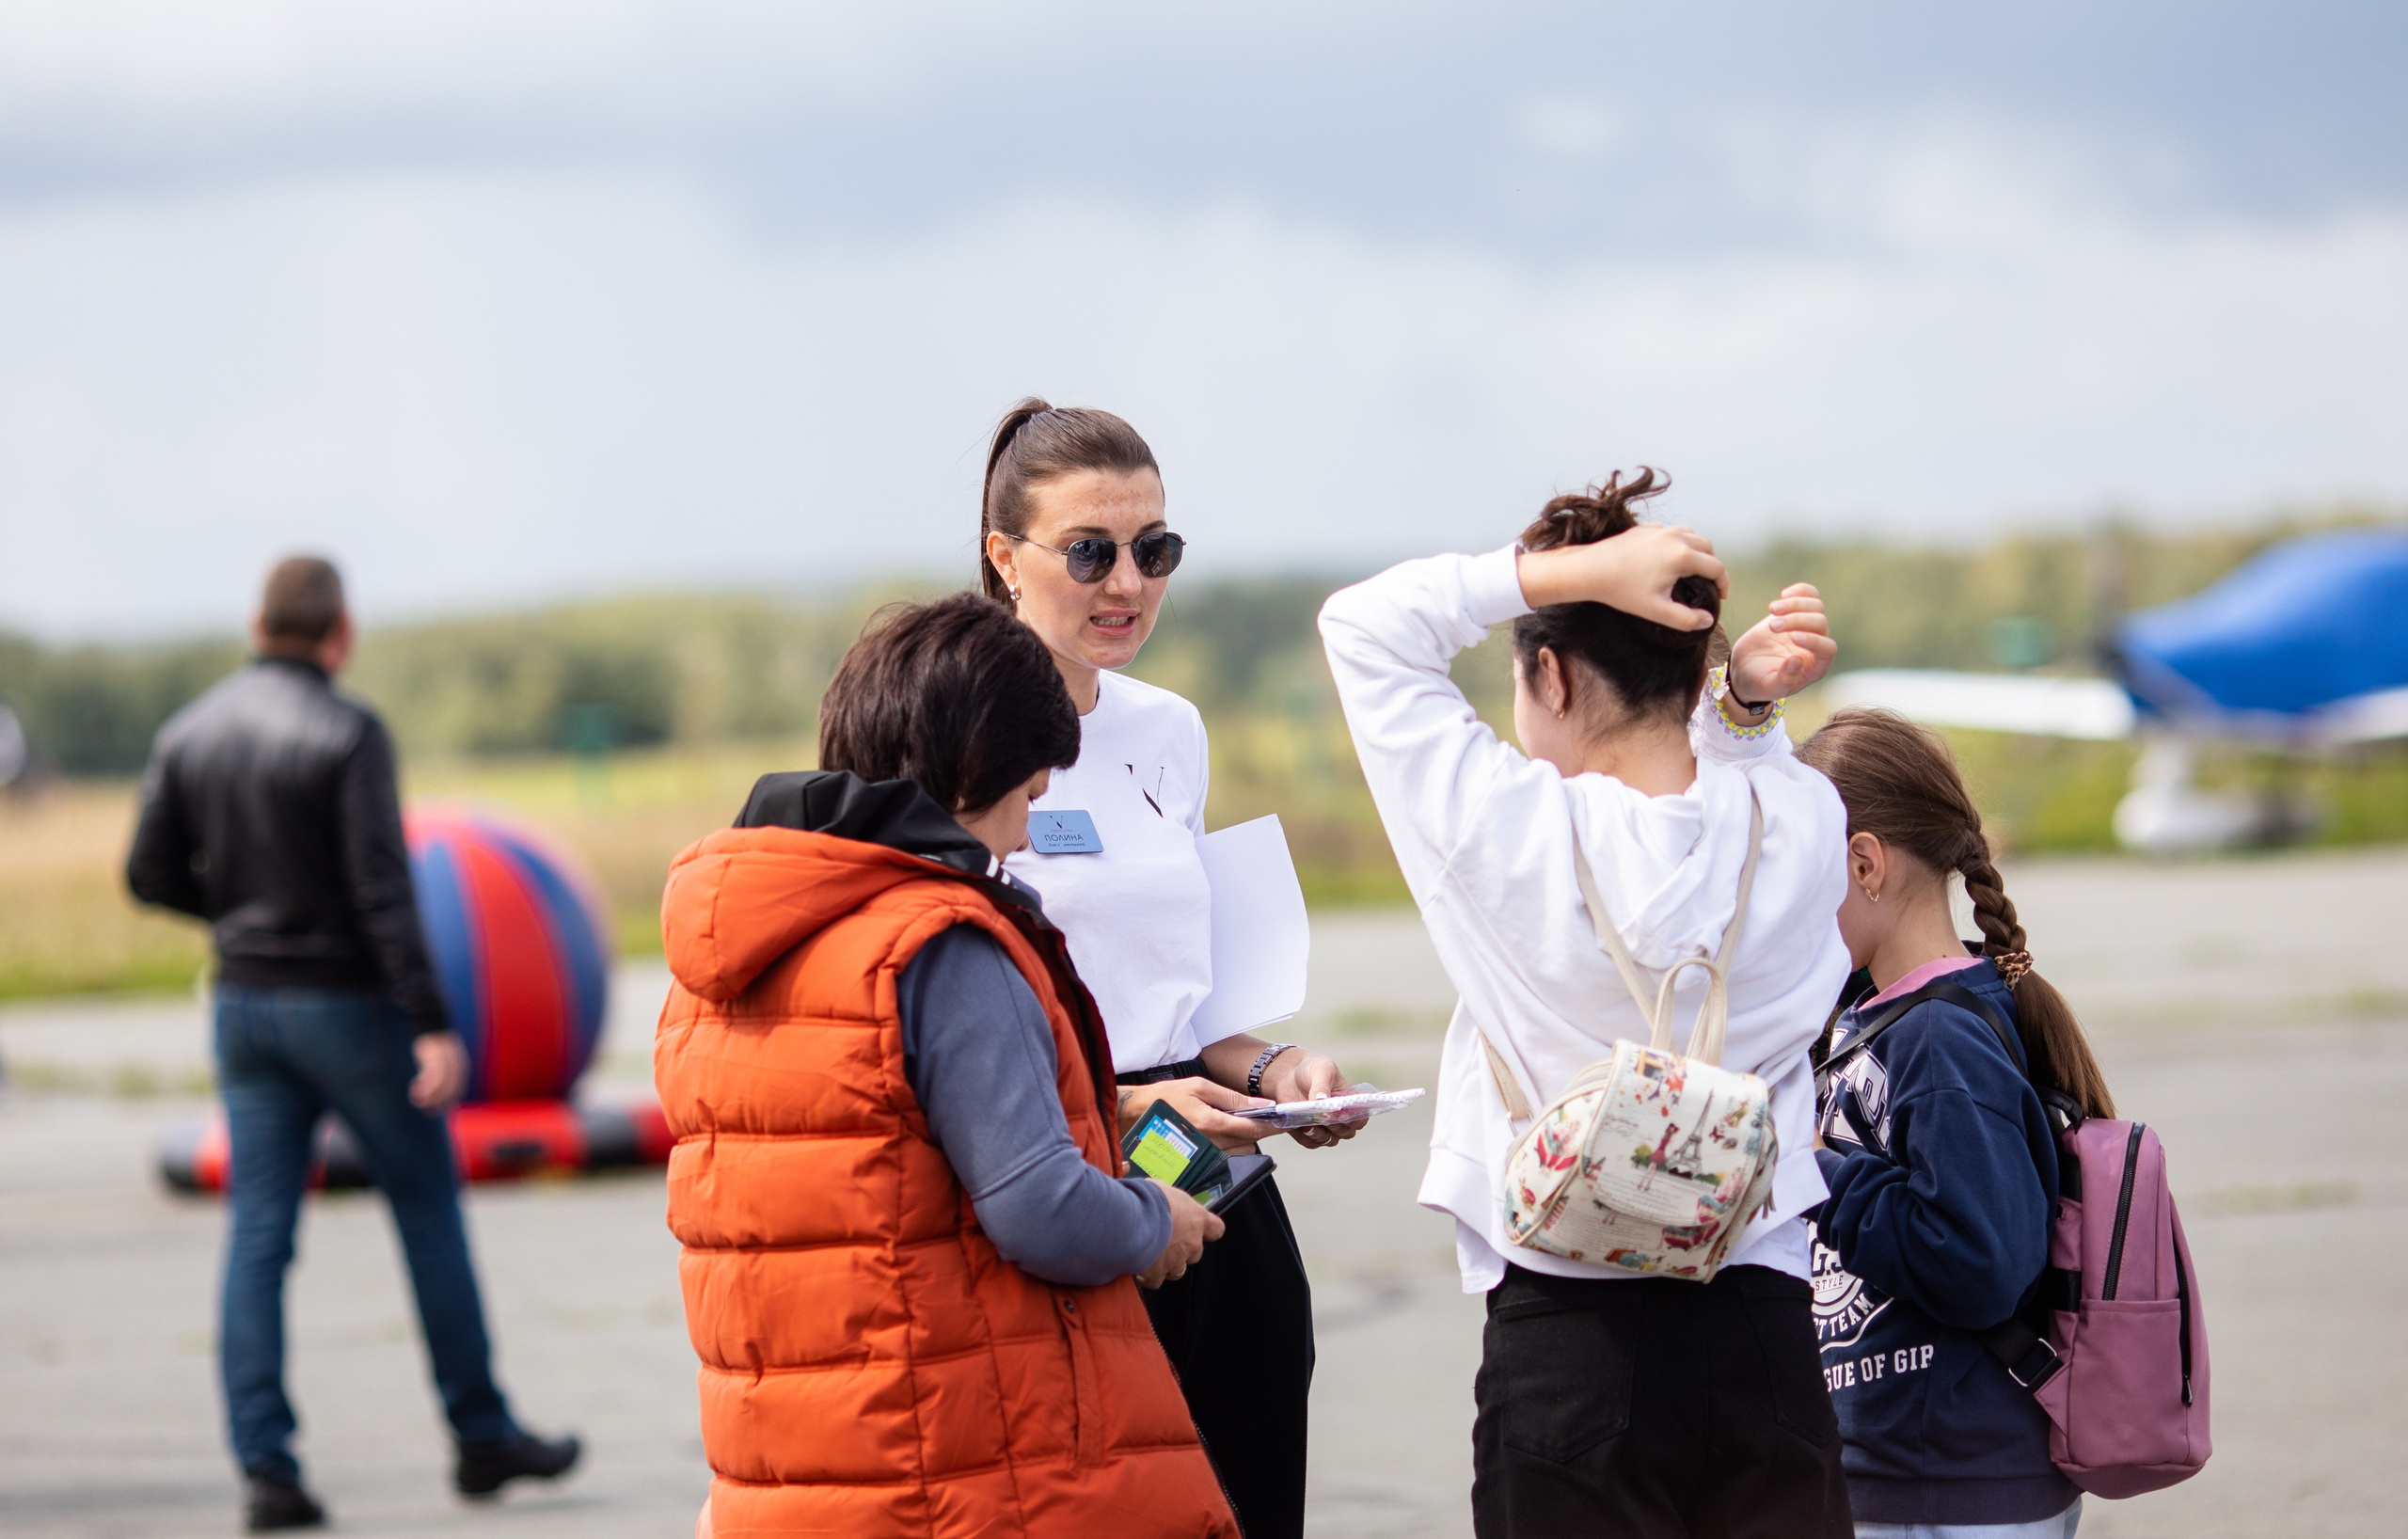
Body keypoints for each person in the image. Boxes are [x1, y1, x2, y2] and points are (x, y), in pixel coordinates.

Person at [1319, 470, 1853, 1538]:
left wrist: (1574, 574)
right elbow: (1732, 779)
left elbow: (1364, 624)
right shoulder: (1802, 813)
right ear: (1696, 668)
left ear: (1550, 676)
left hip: (1572, 1326)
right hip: (1762, 1319)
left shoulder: (1506, 824)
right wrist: (1740, 706)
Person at [654, 592, 1240, 1539]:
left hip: (789, 1479)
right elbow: (1040, 1206)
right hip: (950, 1467)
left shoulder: (723, 959)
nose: (1026, 828)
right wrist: (1149, 1216)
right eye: (1032, 788)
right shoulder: (942, 946)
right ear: (983, 767)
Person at [124, 557, 578, 1533]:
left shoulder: (187, 731)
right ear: (341, 634)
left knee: (257, 1238)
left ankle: (267, 1468)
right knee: (425, 1211)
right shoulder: (349, 732)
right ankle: (481, 1433)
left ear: (256, 621)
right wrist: (429, 1022)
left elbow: (147, 872)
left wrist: (240, 911)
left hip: (243, 1006)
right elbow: (383, 889)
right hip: (347, 1010)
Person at [977, 399, 1361, 1539]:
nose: (1127, 582)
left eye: (1155, 550)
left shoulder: (1168, 728)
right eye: (1090, 550)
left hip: (1208, 1167)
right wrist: (1126, 1100)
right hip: (1065, 1175)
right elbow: (944, 1027)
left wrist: (1279, 1068)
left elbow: (1187, 1001)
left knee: (1249, 1501)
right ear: (1005, 558)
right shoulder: (951, 736)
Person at [1796, 708, 2117, 1539]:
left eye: (1794, 876)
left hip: (1956, 1490)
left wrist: (1806, 1170)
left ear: (1864, 863)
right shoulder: (1871, 1016)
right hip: (1902, 1473)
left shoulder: (1941, 1034)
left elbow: (1978, 1261)